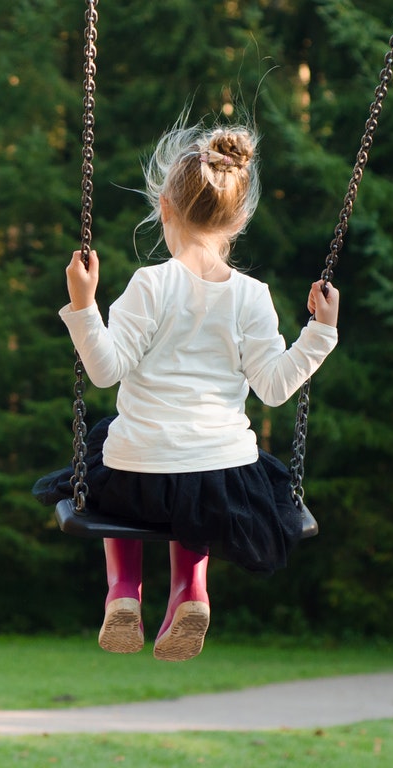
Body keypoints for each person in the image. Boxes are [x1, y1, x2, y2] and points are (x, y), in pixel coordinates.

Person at [34, 118, 340, 661]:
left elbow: (104, 370)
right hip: (221, 480)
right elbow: (274, 388)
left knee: (110, 449)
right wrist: (320, 332)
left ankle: (123, 591)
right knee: (197, 487)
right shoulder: (253, 296)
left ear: (164, 209)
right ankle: (191, 592)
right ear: (239, 218)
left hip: (138, 476)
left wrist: (84, 305)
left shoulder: (150, 284)